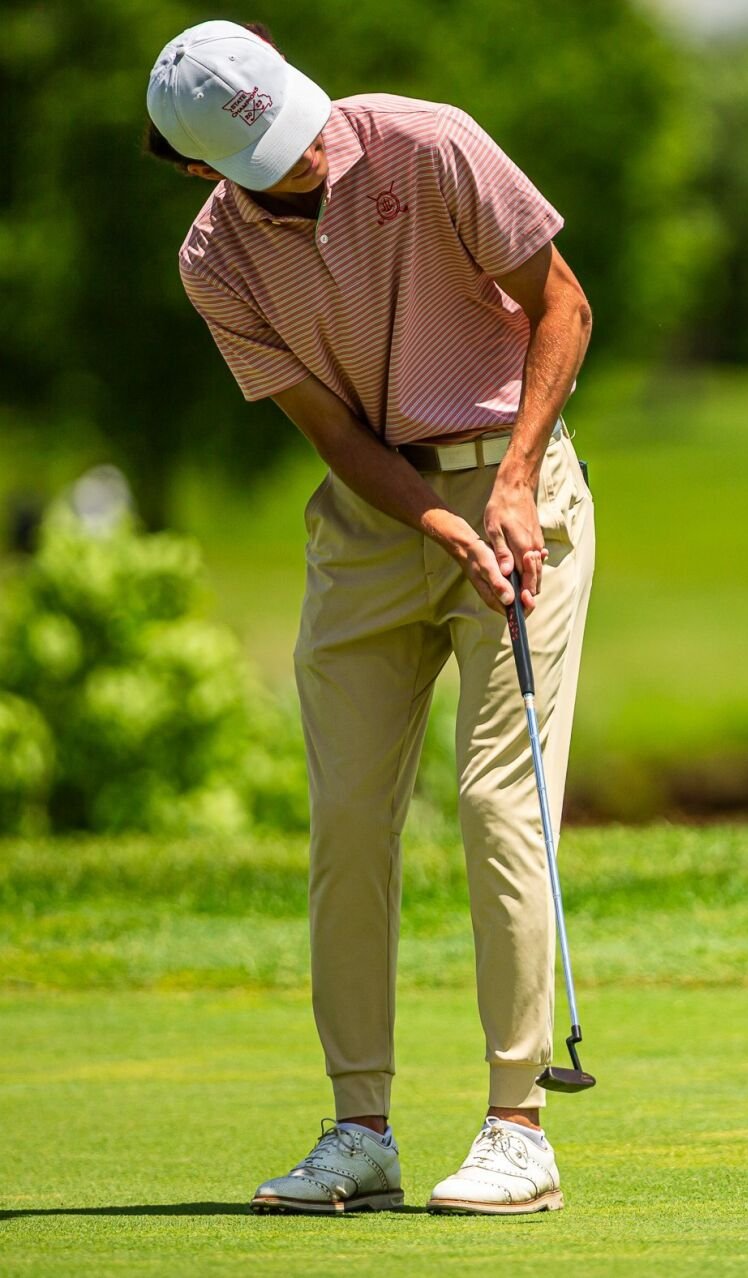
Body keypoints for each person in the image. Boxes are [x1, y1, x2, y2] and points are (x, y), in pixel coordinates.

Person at [145, 20, 596, 1212]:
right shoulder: (215, 263)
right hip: (371, 516)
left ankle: (518, 1127)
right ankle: (362, 1131)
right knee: (347, 816)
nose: (312, 158)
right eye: (273, 158)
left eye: (300, 126)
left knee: (497, 798)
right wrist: (430, 520)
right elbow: (334, 435)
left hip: (517, 487)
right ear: (203, 169)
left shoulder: (427, 145)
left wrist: (505, 483)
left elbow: (564, 308)